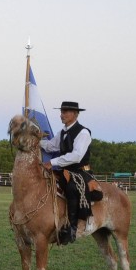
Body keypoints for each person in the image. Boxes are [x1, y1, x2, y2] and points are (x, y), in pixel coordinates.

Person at [39, 101, 100, 244]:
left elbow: (76, 156)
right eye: (61, 112)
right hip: (65, 170)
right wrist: (34, 140)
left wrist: (52, 162)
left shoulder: (83, 132)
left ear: (75, 114)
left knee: (71, 187)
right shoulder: (62, 132)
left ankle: (72, 228)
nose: (62, 115)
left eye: (65, 112)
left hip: (80, 171)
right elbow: (50, 146)